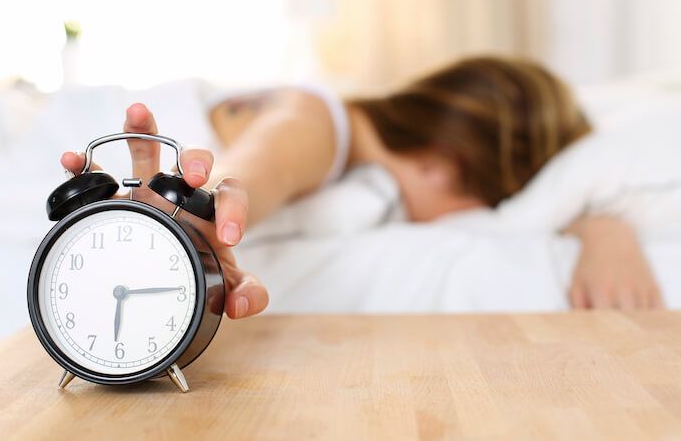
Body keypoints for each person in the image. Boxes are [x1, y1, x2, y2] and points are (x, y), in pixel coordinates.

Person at [60, 55, 664, 316]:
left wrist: (600, 225)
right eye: (495, 200)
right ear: (447, 163)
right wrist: (196, 210)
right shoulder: (321, 121)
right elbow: (255, 171)